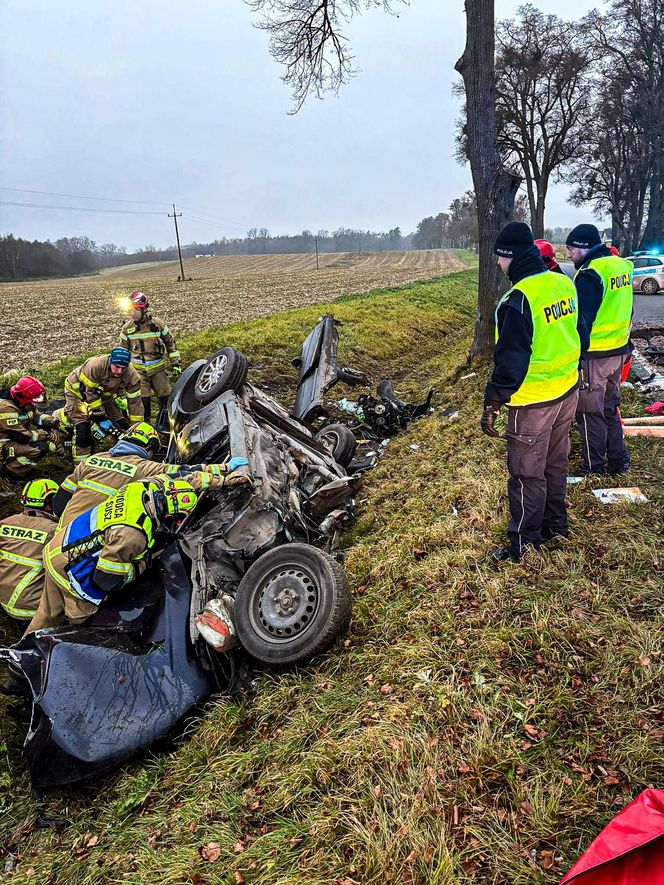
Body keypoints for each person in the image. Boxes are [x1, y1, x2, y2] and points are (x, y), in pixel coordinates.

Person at [481, 222, 581, 561]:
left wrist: (493, 400)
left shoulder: (518, 299)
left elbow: (511, 363)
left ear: (510, 257)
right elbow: (578, 332)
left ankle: (524, 545)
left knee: (526, 475)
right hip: (567, 392)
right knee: (555, 464)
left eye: (499, 258)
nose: (497, 263)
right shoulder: (562, 283)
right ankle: (556, 526)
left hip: (533, 402)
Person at [26, 476, 206, 632]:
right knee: (83, 622)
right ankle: (59, 656)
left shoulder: (139, 487)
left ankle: (21, 657)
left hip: (57, 547)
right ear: (168, 516)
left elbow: (180, 476)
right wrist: (143, 563)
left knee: (46, 614)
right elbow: (106, 580)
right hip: (70, 571)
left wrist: (220, 477)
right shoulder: (133, 535)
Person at [53, 421, 249, 525]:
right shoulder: (143, 467)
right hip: (91, 537)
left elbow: (60, 501)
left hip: (65, 529)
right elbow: (185, 473)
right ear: (148, 448)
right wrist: (224, 473)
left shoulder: (91, 460)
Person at [566, 224, 634, 475]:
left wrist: (577, 357)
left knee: (589, 412)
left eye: (571, 249)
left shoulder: (590, 273)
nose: (569, 254)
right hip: (618, 350)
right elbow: (628, 308)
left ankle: (593, 468)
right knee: (609, 407)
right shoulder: (622, 265)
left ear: (584, 248)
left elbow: (582, 321)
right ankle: (619, 462)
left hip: (596, 354)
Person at [64, 348, 143, 463]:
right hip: (77, 393)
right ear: (110, 361)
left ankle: (125, 456)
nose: (119, 371)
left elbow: (135, 404)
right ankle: (81, 465)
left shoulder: (132, 377)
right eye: (116, 366)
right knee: (83, 429)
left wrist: (137, 427)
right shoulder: (95, 367)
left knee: (122, 424)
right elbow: (89, 393)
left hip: (105, 396)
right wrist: (101, 417)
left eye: (123, 368)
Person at [0, 479, 58, 621]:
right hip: (33, 611)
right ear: (50, 504)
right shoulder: (54, 531)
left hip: (3, 600)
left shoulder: (5, 523)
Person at [119, 291, 182, 423]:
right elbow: (122, 352)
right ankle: (146, 430)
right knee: (143, 403)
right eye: (130, 310)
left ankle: (167, 426)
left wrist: (175, 363)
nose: (132, 313)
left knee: (166, 400)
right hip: (138, 373)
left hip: (158, 371)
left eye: (135, 310)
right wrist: (122, 375)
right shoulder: (127, 328)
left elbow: (171, 343)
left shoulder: (158, 325)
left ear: (144, 309)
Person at [0, 376, 61, 478]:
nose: (34, 407)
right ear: (23, 400)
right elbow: (21, 436)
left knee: (41, 443)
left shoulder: (21, 402)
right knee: (39, 448)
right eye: (33, 404)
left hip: (12, 436)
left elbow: (37, 416)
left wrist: (54, 422)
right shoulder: (6, 408)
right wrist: (46, 435)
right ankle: (11, 472)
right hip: (4, 443)